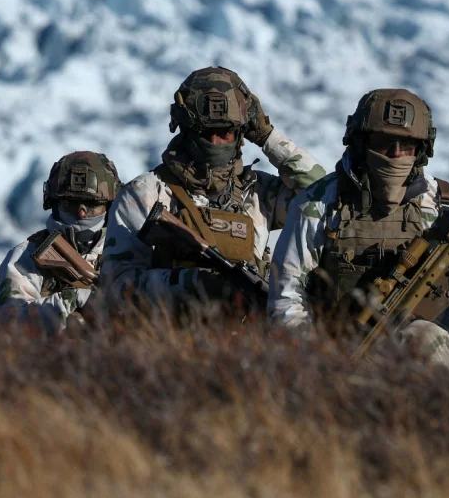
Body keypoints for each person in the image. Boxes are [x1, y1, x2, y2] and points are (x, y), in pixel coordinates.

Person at [269, 88, 449, 366]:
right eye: (383, 143)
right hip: (339, 348)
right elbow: (286, 298)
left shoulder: (441, 204)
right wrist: (315, 359)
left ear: (422, 150)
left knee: (430, 340)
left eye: (407, 145)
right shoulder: (318, 203)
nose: (396, 154)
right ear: (360, 143)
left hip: (421, 348)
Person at [100, 66, 326, 320]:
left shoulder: (261, 193)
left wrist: (267, 137)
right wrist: (193, 284)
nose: (216, 143)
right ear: (185, 129)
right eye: (205, 133)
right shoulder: (146, 193)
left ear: (242, 133)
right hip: (168, 343)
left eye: (225, 132)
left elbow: (322, 196)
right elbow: (116, 287)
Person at [0, 151, 121, 335]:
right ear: (53, 203)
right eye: (71, 204)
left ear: (109, 205)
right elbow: (8, 328)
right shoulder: (25, 258)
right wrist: (72, 298)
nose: (82, 213)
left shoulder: (127, 249)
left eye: (92, 205)